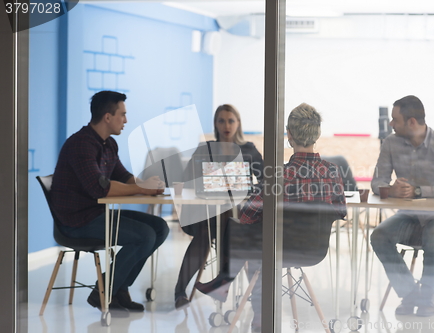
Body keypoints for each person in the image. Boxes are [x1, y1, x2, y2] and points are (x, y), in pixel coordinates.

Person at [195, 103, 347, 333]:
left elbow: (246, 215)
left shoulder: (278, 175)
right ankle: (234, 293)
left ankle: (239, 296)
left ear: (289, 135)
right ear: (317, 134)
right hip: (315, 251)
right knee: (257, 244)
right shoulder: (334, 171)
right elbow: (340, 211)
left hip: (275, 250)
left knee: (241, 231)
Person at [51, 91, 169, 317]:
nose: (125, 120)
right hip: (76, 222)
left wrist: (147, 184)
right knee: (145, 235)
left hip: (96, 214)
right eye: (122, 115)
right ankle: (104, 290)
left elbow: (124, 177)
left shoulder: (109, 144)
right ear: (107, 117)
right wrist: (142, 188)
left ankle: (116, 289)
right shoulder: (81, 144)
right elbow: (100, 187)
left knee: (160, 228)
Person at [370, 95, 434, 317]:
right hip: (410, 216)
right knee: (379, 236)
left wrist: (418, 191)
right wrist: (390, 190)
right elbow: (377, 182)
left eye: (395, 120)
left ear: (412, 121)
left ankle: (428, 298)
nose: (391, 124)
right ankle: (412, 294)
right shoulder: (391, 144)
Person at [174, 104, 264, 309]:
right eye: (221, 120)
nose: (226, 125)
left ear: (238, 124)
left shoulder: (248, 149)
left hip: (238, 214)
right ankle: (183, 290)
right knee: (210, 229)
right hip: (204, 211)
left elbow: (266, 179)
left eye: (231, 120)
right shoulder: (205, 149)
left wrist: (245, 189)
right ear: (215, 124)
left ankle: (219, 284)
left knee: (225, 224)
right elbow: (187, 181)